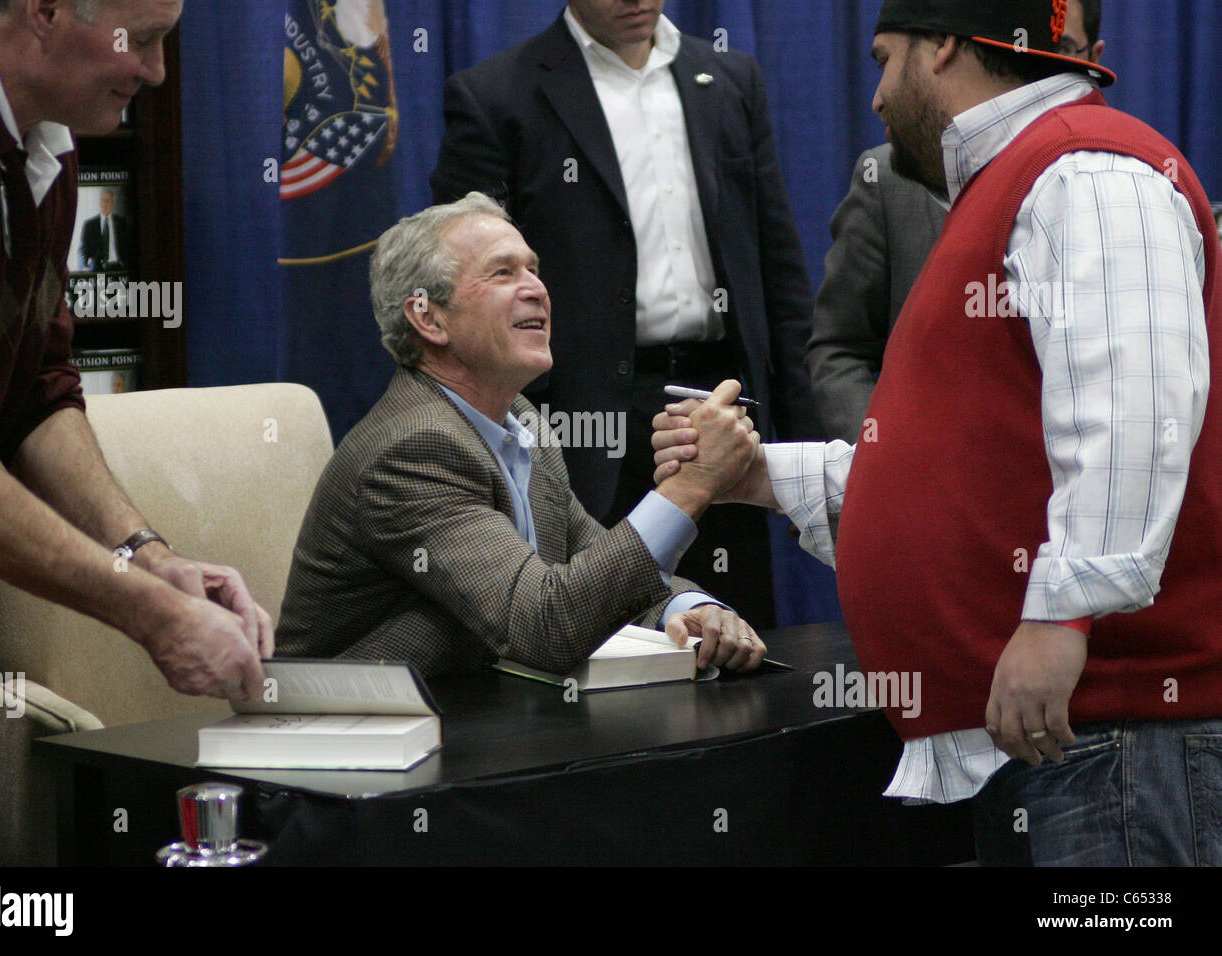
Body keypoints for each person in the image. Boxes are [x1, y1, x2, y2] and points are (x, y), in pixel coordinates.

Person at [654, 0, 1222, 865]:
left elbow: (1138, 411)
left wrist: (1063, 620)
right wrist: (756, 473)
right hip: (1064, 741)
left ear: (947, 43)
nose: (876, 95)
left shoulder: (1087, 171)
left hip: (1113, 742)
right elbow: (955, 477)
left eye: (885, 59)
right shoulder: (1022, 179)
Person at [0, 0, 273, 865]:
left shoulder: (47, 135)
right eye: (143, 39)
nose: (156, 72)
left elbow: (38, 390)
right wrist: (150, 615)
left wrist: (150, 558)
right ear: (42, 11)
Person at [430, 1, 821, 629]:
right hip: (580, 414)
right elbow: (462, 272)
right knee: (601, 635)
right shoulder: (499, 94)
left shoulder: (728, 78)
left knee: (733, 630)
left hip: (716, 399)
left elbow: (776, 261)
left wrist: (802, 427)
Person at [276, 193, 766, 679]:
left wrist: (686, 606)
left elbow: (591, 567)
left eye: (533, 269)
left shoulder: (520, 419)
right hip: (353, 737)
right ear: (428, 317)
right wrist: (691, 486)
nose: (536, 289)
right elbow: (545, 627)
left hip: (478, 717)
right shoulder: (411, 450)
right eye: (502, 272)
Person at [806, 0, 1106, 442]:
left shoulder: (1103, 184)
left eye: (1060, 49)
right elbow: (839, 348)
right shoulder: (889, 177)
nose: (877, 99)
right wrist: (885, 454)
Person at [78, 188, 132, 271]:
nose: (105, 204)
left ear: (113, 204)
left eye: (108, 201)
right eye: (103, 201)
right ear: (100, 203)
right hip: (97, 268)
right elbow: (82, 250)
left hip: (119, 267)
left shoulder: (122, 223)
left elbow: (129, 247)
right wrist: (84, 267)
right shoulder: (89, 224)